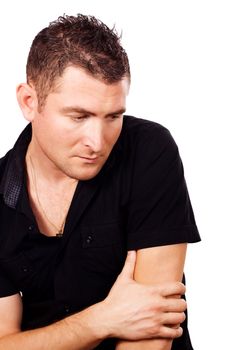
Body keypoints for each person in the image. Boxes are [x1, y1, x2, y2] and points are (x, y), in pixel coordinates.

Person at [0, 14, 200, 350]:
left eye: (113, 116)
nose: (97, 141)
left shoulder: (148, 151)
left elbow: (154, 330)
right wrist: (102, 320)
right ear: (29, 102)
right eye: (79, 117)